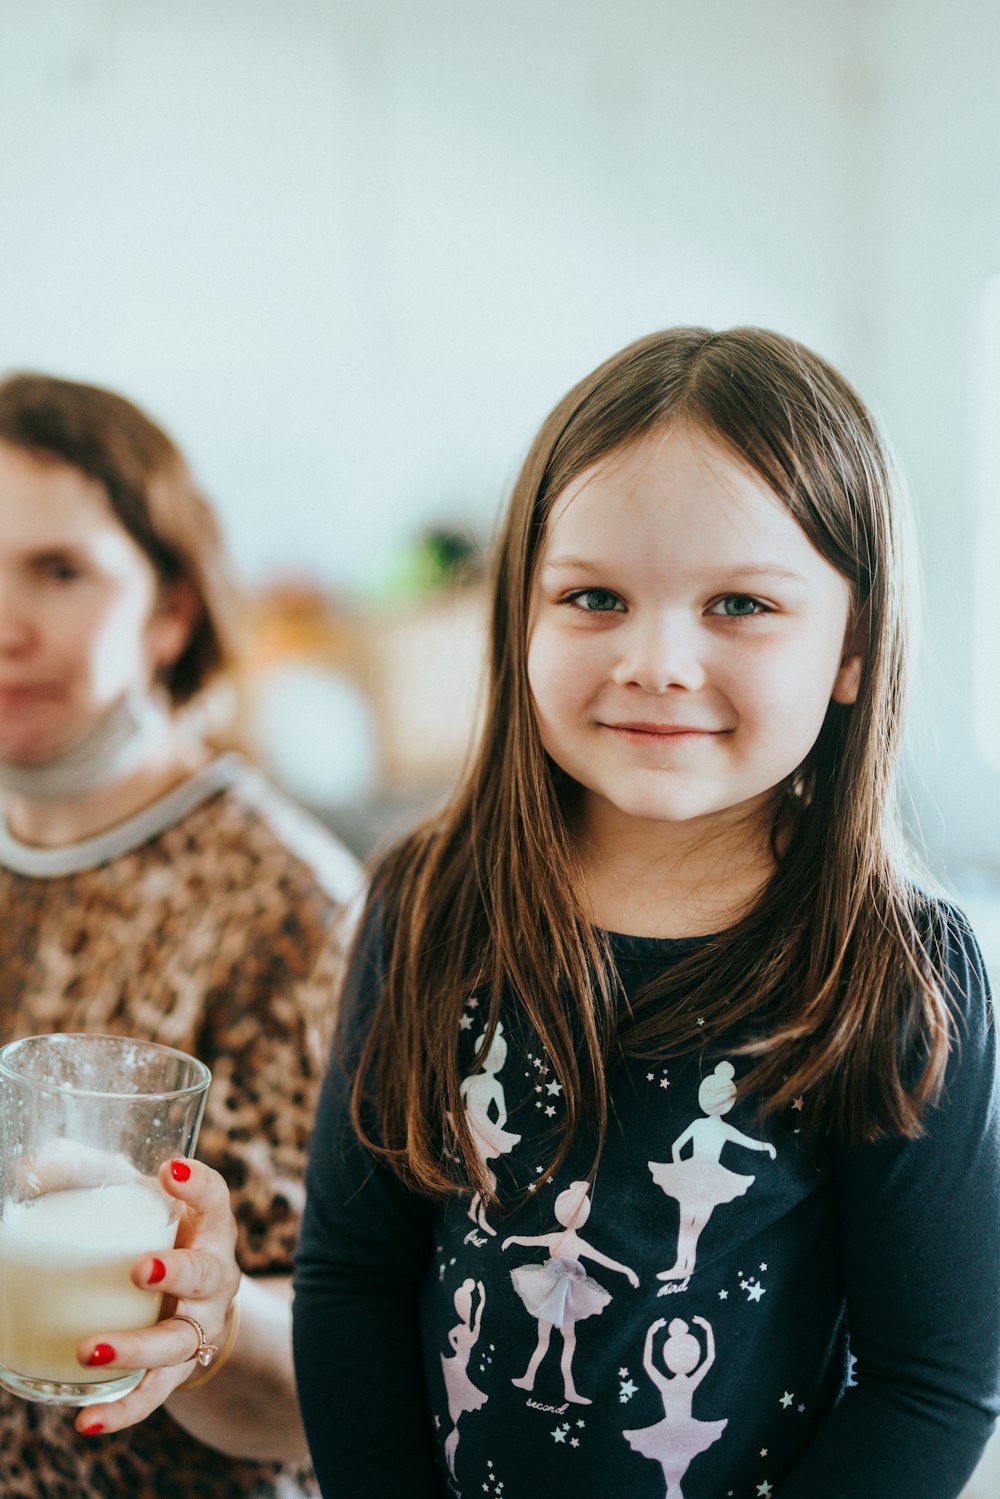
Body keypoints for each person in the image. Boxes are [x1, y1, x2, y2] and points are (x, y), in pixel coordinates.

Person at [293, 326, 1000, 1498]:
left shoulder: (900, 969)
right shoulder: (426, 903)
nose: (658, 659)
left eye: (737, 602)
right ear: (519, 614)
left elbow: (930, 1381)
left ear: (854, 644)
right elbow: (352, 1281)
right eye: (592, 596)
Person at [0, 373, 361, 1499]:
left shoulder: (289, 907)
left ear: (172, 609)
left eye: (59, 572)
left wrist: (209, 1320)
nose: (6, 623)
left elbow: (334, 1390)